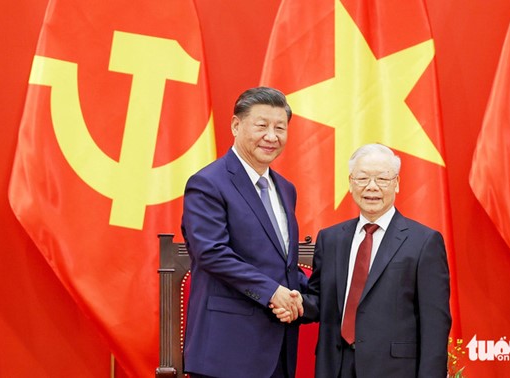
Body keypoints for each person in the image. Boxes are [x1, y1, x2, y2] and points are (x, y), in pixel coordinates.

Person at [277, 143, 451, 377]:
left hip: (393, 370)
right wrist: (296, 303)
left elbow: (435, 325)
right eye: (362, 178)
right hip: (336, 366)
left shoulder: (424, 242)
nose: (371, 187)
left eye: (382, 179)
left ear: (397, 183)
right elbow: (320, 300)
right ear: (350, 182)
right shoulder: (330, 239)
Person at [181, 87, 307, 378]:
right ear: (236, 125)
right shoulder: (207, 183)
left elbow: (281, 261)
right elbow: (211, 253)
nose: (272, 136)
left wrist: (299, 297)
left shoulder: (286, 189)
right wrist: (272, 292)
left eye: (280, 128)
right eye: (261, 126)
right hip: (227, 349)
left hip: (277, 346)